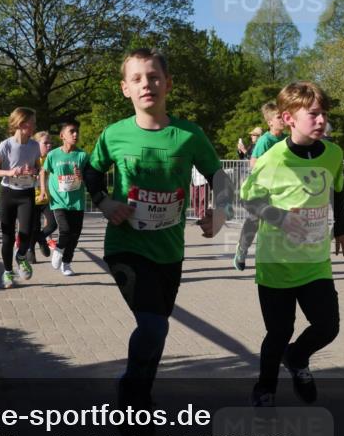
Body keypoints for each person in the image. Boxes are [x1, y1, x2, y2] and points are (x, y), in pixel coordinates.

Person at [82, 48, 233, 416]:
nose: (146, 84)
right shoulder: (115, 134)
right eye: (137, 79)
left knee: (158, 327)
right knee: (152, 326)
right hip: (126, 246)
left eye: (153, 77)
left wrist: (222, 212)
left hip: (169, 251)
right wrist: (104, 202)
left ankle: (141, 392)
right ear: (125, 89)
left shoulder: (189, 135)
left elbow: (219, 176)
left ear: (168, 84)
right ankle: (132, 398)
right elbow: (92, 171)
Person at [240, 82, 344, 407]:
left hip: (315, 261)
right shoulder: (273, 158)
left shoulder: (333, 153)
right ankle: (265, 389)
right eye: (313, 114)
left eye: (324, 114)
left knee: (328, 327)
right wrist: (279, 217)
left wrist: (342, 227)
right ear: (288, 118)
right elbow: (248, 199)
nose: (322, 120)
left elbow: (338, 188)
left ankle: (298, 357)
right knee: (279, 333)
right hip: (277, 263)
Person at [0, 108, 41, 289]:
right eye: (32, 122)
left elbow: (38, 168)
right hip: (9, 192)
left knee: (27, 232)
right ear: (22, 124)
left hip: (27, 193)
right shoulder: (6, 145)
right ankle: (8, 272)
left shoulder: (34, 146)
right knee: (7, 236)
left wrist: (34, 171)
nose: (34, 126)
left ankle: (21, 256)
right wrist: (9, 172)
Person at [232, 102, 287, 271]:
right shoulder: (265, 140)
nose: (283, 120)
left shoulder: (287, 139)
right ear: (270, 122)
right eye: (279, 117)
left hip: (280, 189)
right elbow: (253, 163)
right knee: (255, 220)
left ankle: (277, 258)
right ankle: (242, 249)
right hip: (261, 189)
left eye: (284, 116)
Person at [41, 119, 89, 277]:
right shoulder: (53, 155)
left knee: (75, 235)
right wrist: (43, 190)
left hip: (77, 201)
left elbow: (89, 178)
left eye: (77, 132)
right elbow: (43, 172)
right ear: (62, 136)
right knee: (65, 230)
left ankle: (66, 263)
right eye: (71, 132)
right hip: (59, 200)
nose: (75, 135)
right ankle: (59, 249)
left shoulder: (82, 155)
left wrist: (81, 176)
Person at [29, 131, 58, 263]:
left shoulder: (51, 158)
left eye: (50, 143)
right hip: (32, 198)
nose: (49, 145)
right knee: (34, 227)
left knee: (53, 224)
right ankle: (31, 252)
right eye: (45, 143)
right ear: (36, 144)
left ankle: (41, 238)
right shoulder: (30, 158)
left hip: (47, 198)